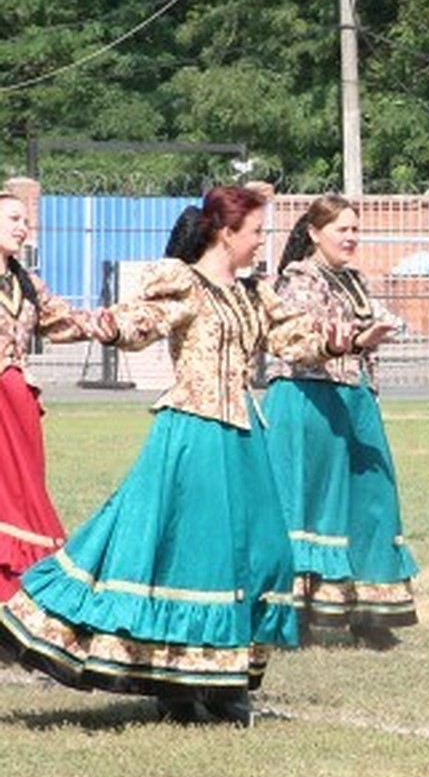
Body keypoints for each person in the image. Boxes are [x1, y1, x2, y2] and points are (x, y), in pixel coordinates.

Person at [0, 186, 335, 726]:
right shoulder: (185, 283)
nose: (260, 242)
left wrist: (352, 338)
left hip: (244, 433)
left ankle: (225, 674)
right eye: (254, 232)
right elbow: (140, 323)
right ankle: (186, 686)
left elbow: (295, 338)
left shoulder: (253, 294)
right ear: (226, 234)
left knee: (265, 553)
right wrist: (111, 323)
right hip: (194, 431)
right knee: (193, 555)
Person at [261, 194, 419, 649]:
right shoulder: (299, 281)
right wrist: (356, 341)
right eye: (341, 229)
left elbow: (368, 328)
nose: (350, 238)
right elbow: (303, 339)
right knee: (305, 502)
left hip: (354, 395)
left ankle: (370, 608)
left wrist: (375, 336)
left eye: (354, 229)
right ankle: (295, 613)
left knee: (373, 496)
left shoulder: (352, 279)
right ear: (314, 233)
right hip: (309, 397)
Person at [0, 192, 108, 600]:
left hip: (20, 405)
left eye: (25, 220)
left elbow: (65, 320)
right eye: (12, 218)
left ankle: (20, 592)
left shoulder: (27, 283)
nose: (22, 226)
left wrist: (111, 321)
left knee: (26, 494)